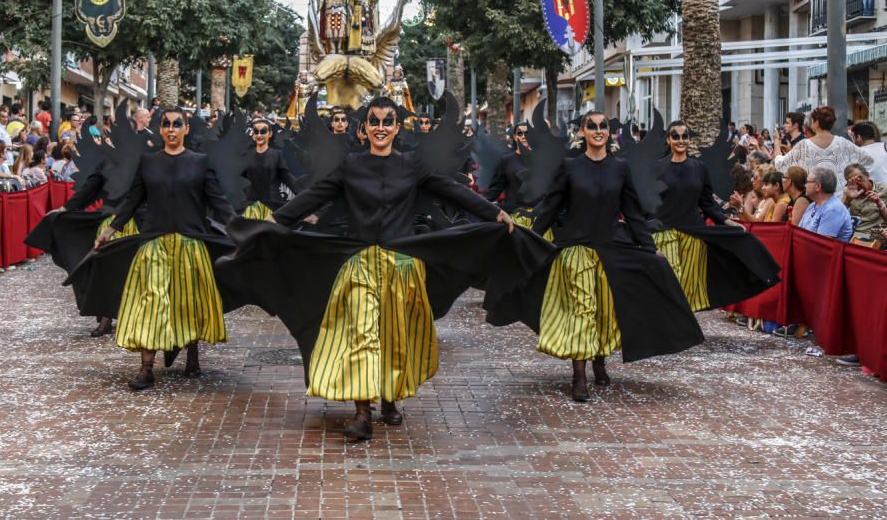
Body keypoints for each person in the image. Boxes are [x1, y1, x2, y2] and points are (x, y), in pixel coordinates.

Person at [217, 96, 524, 441]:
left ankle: (390, 397)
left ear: (396, 127)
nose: (381, 128)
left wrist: (492, 213)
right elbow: (315, 195)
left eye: (387, 122)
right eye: (374, 122)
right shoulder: (351, 165)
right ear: (364, 129)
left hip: (401, 265)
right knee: (361, 332)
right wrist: (274, 220)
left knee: (396, 335)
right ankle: (363, 412)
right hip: (360, 262)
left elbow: (452, 191)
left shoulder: (412, 164)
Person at [506, 111, 704, 402]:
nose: (598, 131)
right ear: (583, 132)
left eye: (603, 127)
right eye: (592, 126)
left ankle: (599, 359)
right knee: (582, 310)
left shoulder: (620, 168)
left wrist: (649, 248)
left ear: (609, 133)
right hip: (576, 249)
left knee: (605, 311)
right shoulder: (570, 166)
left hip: (612, 248)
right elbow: (551, 207)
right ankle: (579, 377)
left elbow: (633, 212)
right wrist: (531, 239)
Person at [92, 106, 238, 390]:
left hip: (190, 243)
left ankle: (192, 354)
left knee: (189, 302)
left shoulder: (200, 162)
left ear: (185, 129)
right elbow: (132, 200)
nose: (171, 129)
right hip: (154, 242)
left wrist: (238, 226)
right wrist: (110, 230)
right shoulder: (148, 162)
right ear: (160, 129)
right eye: (166, 124)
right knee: (151, 303)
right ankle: (147, 369)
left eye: (177, 124)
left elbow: (218, 200)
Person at [651, 120, 781, 314]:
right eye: (675, 136)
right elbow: (647, 203)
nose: (680, 140)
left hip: (694, 234)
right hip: (663, 233)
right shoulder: (657, 168)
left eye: (684, 136)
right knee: (671, 281)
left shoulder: (699, 168)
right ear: (669, 140)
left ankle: (677, 331)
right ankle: (671, 329)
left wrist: (729, 223)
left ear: (689, 140)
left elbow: (707, 204)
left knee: (688, 286)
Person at [773, 106, 873, 196]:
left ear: (816, 123)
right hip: (840, 198)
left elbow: (781, 164)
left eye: (812, 121)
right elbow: (868, 160)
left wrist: (777, 144)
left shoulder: (804, 145)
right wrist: (852, 179)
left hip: (813, 200)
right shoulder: (843, 143)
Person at [242, 118, 298, 220]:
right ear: (253, 135)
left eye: (263, 131)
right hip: (251, 206)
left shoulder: (277, 155)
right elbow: (237, 181)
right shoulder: (246, 155)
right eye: (256, 132)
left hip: (273, 205)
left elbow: (289, 179)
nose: (259, 135)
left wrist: (305, 197)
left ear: (270, 134)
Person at [800, 167, 853, 242]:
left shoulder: (833, 209)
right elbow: (799, 232)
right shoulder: (812, 205)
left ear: (817, 186)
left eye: (807, 182)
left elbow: (822, 245)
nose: (805, 185)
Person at [842, 163, 887, 246]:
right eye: (852, 181)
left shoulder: (883, 189)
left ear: (867, 175)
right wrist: (847, 199)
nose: (858, 183)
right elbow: (837, 215)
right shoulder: (849, 191)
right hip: (854, 235)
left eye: (860, 178)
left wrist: (880, 204)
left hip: (876, 236)